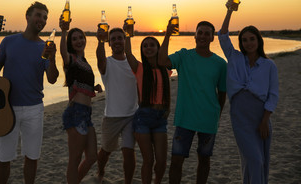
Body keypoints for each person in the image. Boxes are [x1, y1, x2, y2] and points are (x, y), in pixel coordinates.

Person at [0, 1, 59, 184]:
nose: (41, 20)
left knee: (32, 156)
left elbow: (52, 78)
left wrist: (52, 57)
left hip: (34, 109)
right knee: (4, 157)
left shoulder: (44, 48)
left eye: (45, 17)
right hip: (6, 107)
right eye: (38, 15)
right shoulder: (9, 41)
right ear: (27, 16)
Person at [218, 0, 278, 183]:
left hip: (261, 116)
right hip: (240, 115)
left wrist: (264, 120)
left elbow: (273, 95)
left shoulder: (269, 65)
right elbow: (222, 35)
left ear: (259, 41)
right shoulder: (234, 58)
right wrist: (229, 10)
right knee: (254, 159)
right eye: (244, 40)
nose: (248, 43)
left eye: (252, 39)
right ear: (240, 43)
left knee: (259, 161)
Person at [158, 19, 227, 184]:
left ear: (212, 38)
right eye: (200, 33)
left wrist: (217, 114)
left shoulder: (220, 64)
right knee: (176, 161)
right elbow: (161, 61)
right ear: (194, 36)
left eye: (207, 34)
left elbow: (222, 93)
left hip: (208, 120)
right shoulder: (183, 56)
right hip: (185, 119)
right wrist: (167, 34)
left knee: (204, 160)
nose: (203, 36)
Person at [124, 31, 171, 184]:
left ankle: (157, 181)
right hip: (143, 118)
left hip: (160, 118)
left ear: (158, 48)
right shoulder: (139, 68)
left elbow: (165, 53)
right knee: (148, 160)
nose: (148, 48)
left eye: (152, 45)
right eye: (145, 46)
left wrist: (168, 34)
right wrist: (127, 34)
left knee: (162, 160)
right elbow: (128, 52)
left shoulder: (166, 69)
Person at [59, 17, 101, 184]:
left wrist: (94, 87)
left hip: (86, 114)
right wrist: (63, 31)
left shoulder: (84, 62)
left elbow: (82, 85)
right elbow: (62, 52)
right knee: (75, 158)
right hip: (75, 113)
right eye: (74, 39)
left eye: (81, 37)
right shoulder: (70, 59)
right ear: (70, 43)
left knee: (92, 156)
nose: (79, 41)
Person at [96, 27, 138, 183]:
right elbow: (99, 58)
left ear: (125, 40)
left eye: (120, 38)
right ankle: (100, 172)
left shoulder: (133, 63)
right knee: (105, 151)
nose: (117, 41)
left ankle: (128, 181)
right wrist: (100, 40)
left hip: (132, 115)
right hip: (112, 117)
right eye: (113, 39)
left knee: (128, 151)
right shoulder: (107, 63)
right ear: (109, 43)